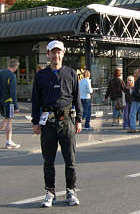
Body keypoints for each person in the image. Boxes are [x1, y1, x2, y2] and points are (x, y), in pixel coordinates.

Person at [32, 40, 82, 207]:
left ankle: (71, 191)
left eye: (59, 52)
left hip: (67, 122)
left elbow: (76, 97)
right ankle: (50, 192)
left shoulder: (71, 73)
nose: (56, 55)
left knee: (70, 160)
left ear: (63, 53)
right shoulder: (41, 76)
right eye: (53, 52)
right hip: (48, 123)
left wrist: (79, 119)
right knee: (48, 161)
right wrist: (35, 122)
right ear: (48, 54)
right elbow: (36, 101)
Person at [0, 59, 20, 149]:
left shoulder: (1, 72)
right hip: (9, 102)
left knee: (5, 120)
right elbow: (13, 92)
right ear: (16, 67)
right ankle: (9, 142)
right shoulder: (12, 76)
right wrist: (16, 106)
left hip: (1, 101)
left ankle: (9, 141)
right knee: (9, 121)